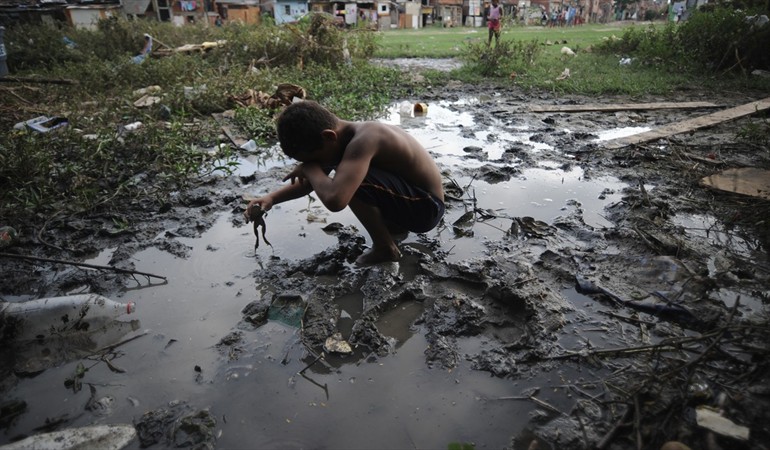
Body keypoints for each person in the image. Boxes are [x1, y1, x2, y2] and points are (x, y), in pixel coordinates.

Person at [244, 100, 445, 265]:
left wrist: (309, 169)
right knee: (345, 178)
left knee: (350, 183)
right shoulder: (339, 139)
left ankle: (385, 248)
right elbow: (313, 181)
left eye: (315, 160)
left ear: (328, 136)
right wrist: (271, 198)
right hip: (413, 200)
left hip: (427, 209)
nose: (315, 166)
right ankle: (394, 230)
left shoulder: (365, 139)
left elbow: (336, 199)